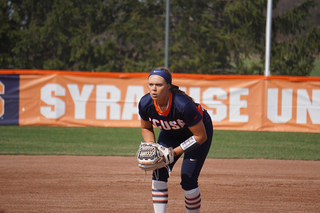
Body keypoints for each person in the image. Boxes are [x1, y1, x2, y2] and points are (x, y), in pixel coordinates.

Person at [138, 67, 213, 213]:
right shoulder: (145, 103)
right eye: (150, 85)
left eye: (159, 85)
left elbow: (200, 136)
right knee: (159, 172)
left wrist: (173, 152)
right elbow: (146, 128)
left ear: (168, 86)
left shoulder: (183, 105)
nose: (154, 89)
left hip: (198, 134)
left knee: (188, 180)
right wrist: (152, 147)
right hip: (171, 133)